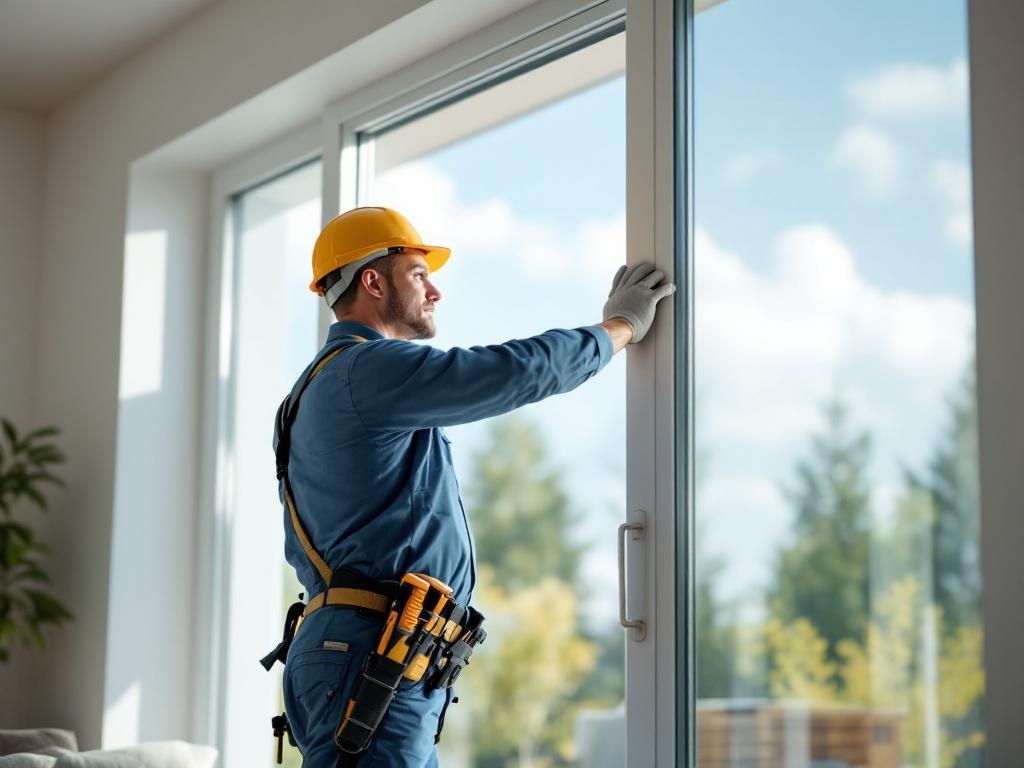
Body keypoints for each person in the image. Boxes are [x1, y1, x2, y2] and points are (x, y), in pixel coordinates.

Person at [274, 206, 674, 767]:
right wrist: (619, 330)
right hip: (373, 652)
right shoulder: (366, 371)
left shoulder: (317, 389)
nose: (434, 291)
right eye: (418, 274)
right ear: (372, 281)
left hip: (368, 649)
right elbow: (510, 372)